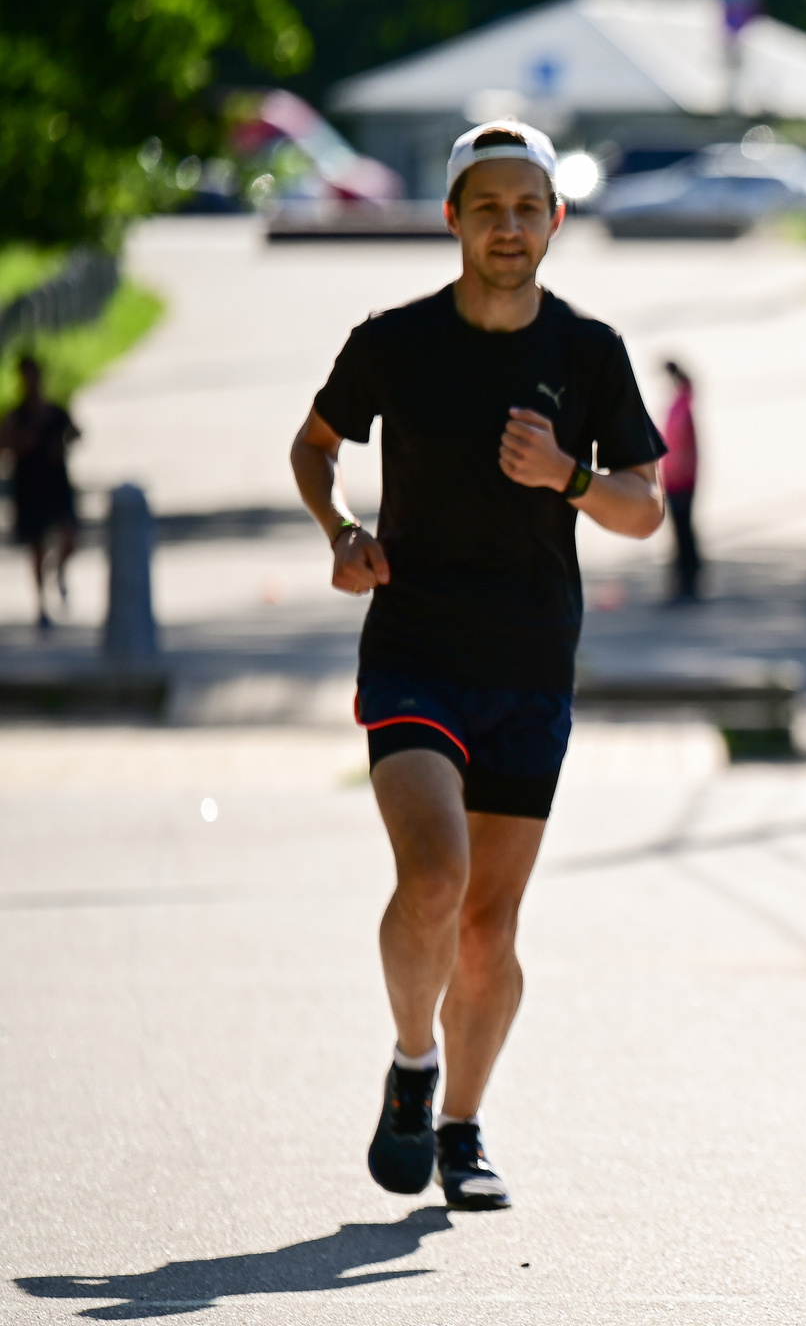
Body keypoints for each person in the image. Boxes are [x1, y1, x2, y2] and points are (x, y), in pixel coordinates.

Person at [286, 122, 666, 1212]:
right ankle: (414, 1064)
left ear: (557, 218)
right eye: (487, 206)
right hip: (413, 647)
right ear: (452, 217)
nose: (509, 226)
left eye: (528, 206)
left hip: (533, 662)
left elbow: (644, 507)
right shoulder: (394, 342)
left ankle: (461, 1124)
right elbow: (315, 446)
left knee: (491, 928)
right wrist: (341, 531)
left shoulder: (588, 354)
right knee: (434, 877)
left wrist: (567, 477)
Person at [5, 354, 81, 630]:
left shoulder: (55, 412)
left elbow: (75, 433)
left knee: (70, 535)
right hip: (29, 486)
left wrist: (62, 444)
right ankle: (42, 606)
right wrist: (17, 443)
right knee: (36, 548)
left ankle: (59, 569)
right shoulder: (15, 416)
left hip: (56, 482)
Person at [660, 359, 703, 602]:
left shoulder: (682, 407)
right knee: (681, 532)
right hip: (677, 477)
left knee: (683, 532)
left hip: (681, 480)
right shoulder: (679, 404)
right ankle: (684, 579)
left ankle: (687, 580)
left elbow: (680, 446)